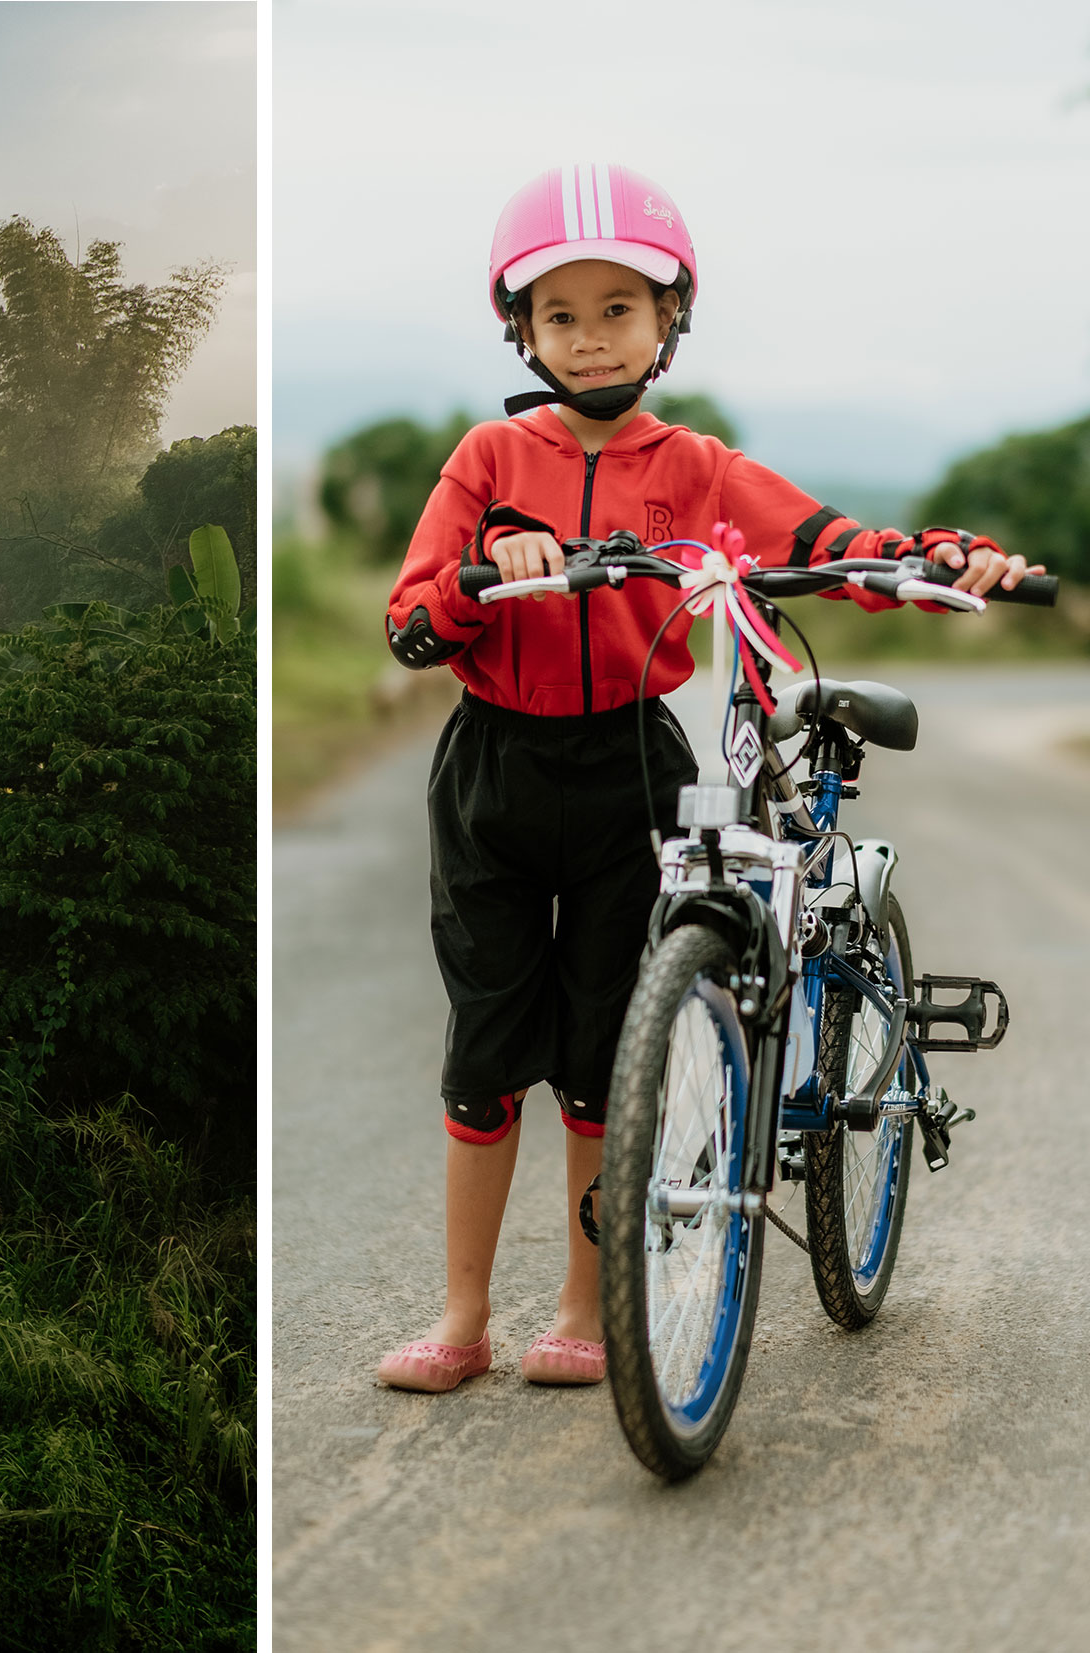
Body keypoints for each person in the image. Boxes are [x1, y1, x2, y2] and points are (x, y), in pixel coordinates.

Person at [376, 163, 1041, 1392]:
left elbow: (823, 540)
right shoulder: (485, 459)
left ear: (667, 318)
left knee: (601, 1054)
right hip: (490, 774)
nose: (587, 339)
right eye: (559, 315)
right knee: (482, 1057)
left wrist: (944, 553)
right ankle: (460, 1319)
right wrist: (484, 570)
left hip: (632, 765)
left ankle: (583, 1309)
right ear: (516, 328)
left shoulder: (689, 462)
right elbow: (411, 618)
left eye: (616, 308)